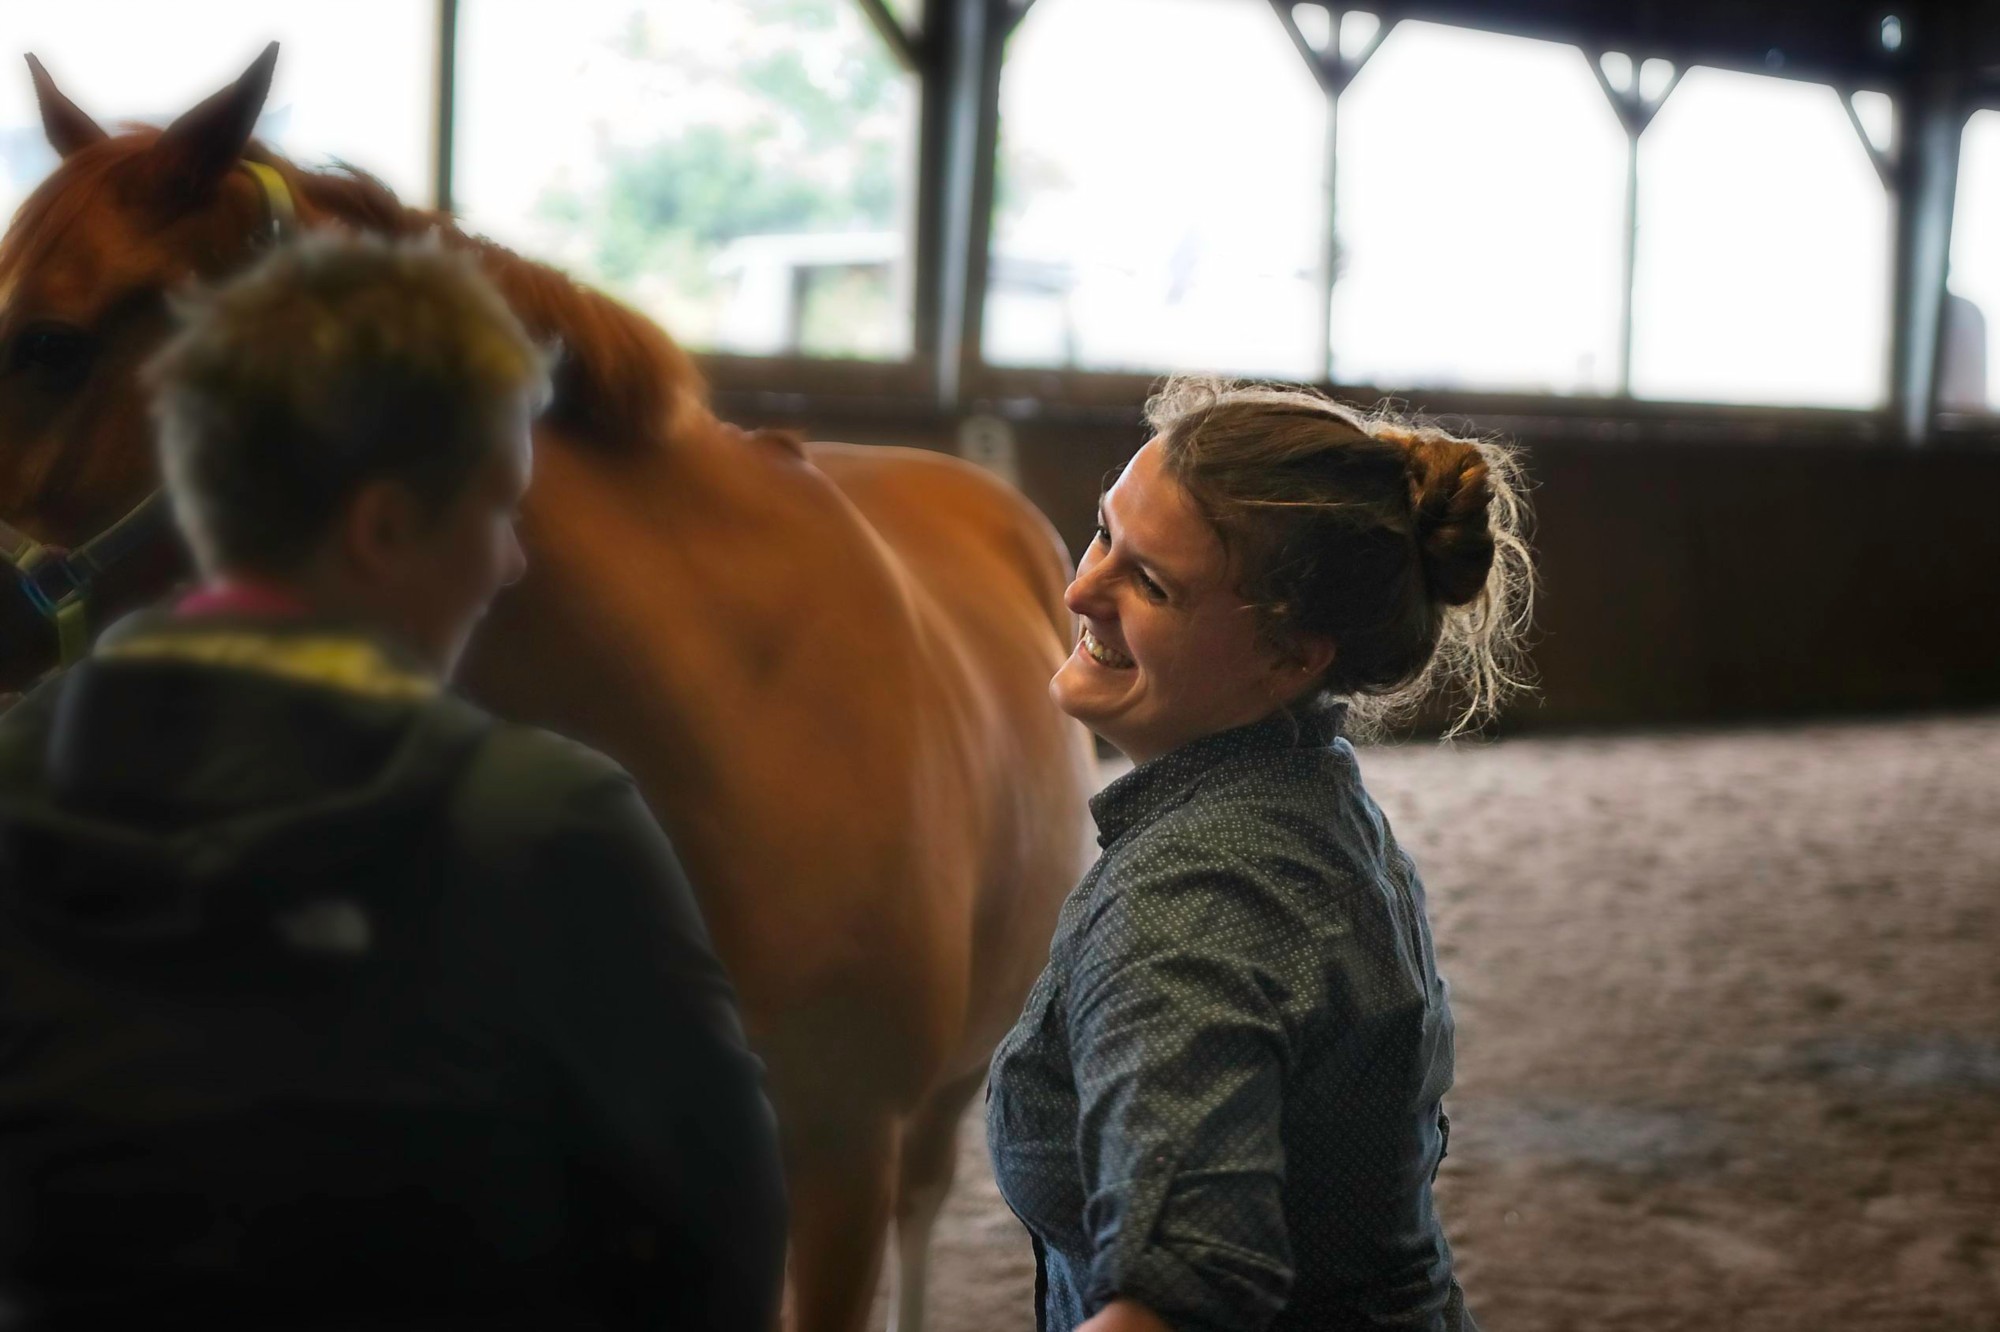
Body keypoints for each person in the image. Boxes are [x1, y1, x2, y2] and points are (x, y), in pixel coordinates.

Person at [0, 233, 787, 1330]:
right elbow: (713, 1253)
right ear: (381, 529)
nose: (510, 560)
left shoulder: (18, 779)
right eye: (496, 508)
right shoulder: (542, 829)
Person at [987, 375, 1533, 1332]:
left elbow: (1185, 1289)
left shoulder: (1194, 896)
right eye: (1105, 531)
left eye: (1151, 584)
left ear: (1293, 655)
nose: (1080, 588)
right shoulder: (1312, 790)